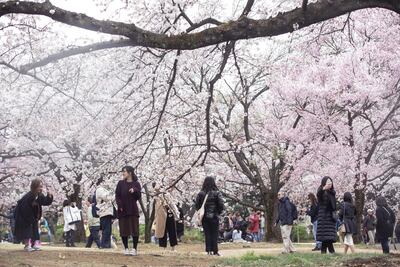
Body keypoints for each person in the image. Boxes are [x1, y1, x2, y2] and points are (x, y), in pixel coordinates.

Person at [14, 179, 53, 251]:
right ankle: (27, 245)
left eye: (41, 186)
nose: (41, 188)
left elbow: (45, 202)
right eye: (39, 186)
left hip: (33, 216)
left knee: (35, 230)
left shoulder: (39, 195)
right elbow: (24, 209)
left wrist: (49, 196)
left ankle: (35, 244)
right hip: (23, 215)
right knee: (27, 229)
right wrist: (30, 218)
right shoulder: (28, 196)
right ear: (34, 187)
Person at [115, 166, 141, 256]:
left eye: (124, 171)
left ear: (130, 173)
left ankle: (134, 248)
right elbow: (117, 195)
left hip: (133, 209)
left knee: (134, 229)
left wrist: (134, 190)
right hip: (123, 210)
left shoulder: (136, 184)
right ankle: (126, 248)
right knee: (123, 230)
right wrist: (120, 205)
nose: (123, 173)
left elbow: (138, 196)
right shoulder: (120, 183)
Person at [195, 176, 224, 256]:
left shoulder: (200, 193)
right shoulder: (217, 193)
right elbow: (221, 204)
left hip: (204, 217)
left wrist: (201, 211)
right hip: (214, 216)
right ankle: (215, 251)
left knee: (207, 233)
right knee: (214, 233)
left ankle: (208, 250)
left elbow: (197, 205)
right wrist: (218, 212)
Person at [153, 184, 180, 252]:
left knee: (171, 230)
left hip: (169, 213)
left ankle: (172, 247)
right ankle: (164, 247)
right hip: (162, 215)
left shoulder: (166, 194)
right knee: (162, 230)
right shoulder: (156, 197)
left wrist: (176, 213)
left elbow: (172, 204)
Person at [316, 176, 337, 254]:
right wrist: (324, 188)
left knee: (327, 237)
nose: (330, 183)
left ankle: (323, 252)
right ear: (324, 182)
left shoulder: (332, 192)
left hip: (330, 217)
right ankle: (332, 252)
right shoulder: (321, 191)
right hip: (323, 217)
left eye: (330, 181)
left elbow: (334, 205)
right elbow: (318, 196)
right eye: (328, 181)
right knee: (327, 236)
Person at [96, 183, 115, 249]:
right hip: (104, 212)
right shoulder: (100, 189)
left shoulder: (105, 190)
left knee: (108, 230)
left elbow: (112, 199)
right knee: (106, 230)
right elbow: (106, 197)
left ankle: (107, 245)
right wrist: (111, 192)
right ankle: (104, 245)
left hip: (108, 212)